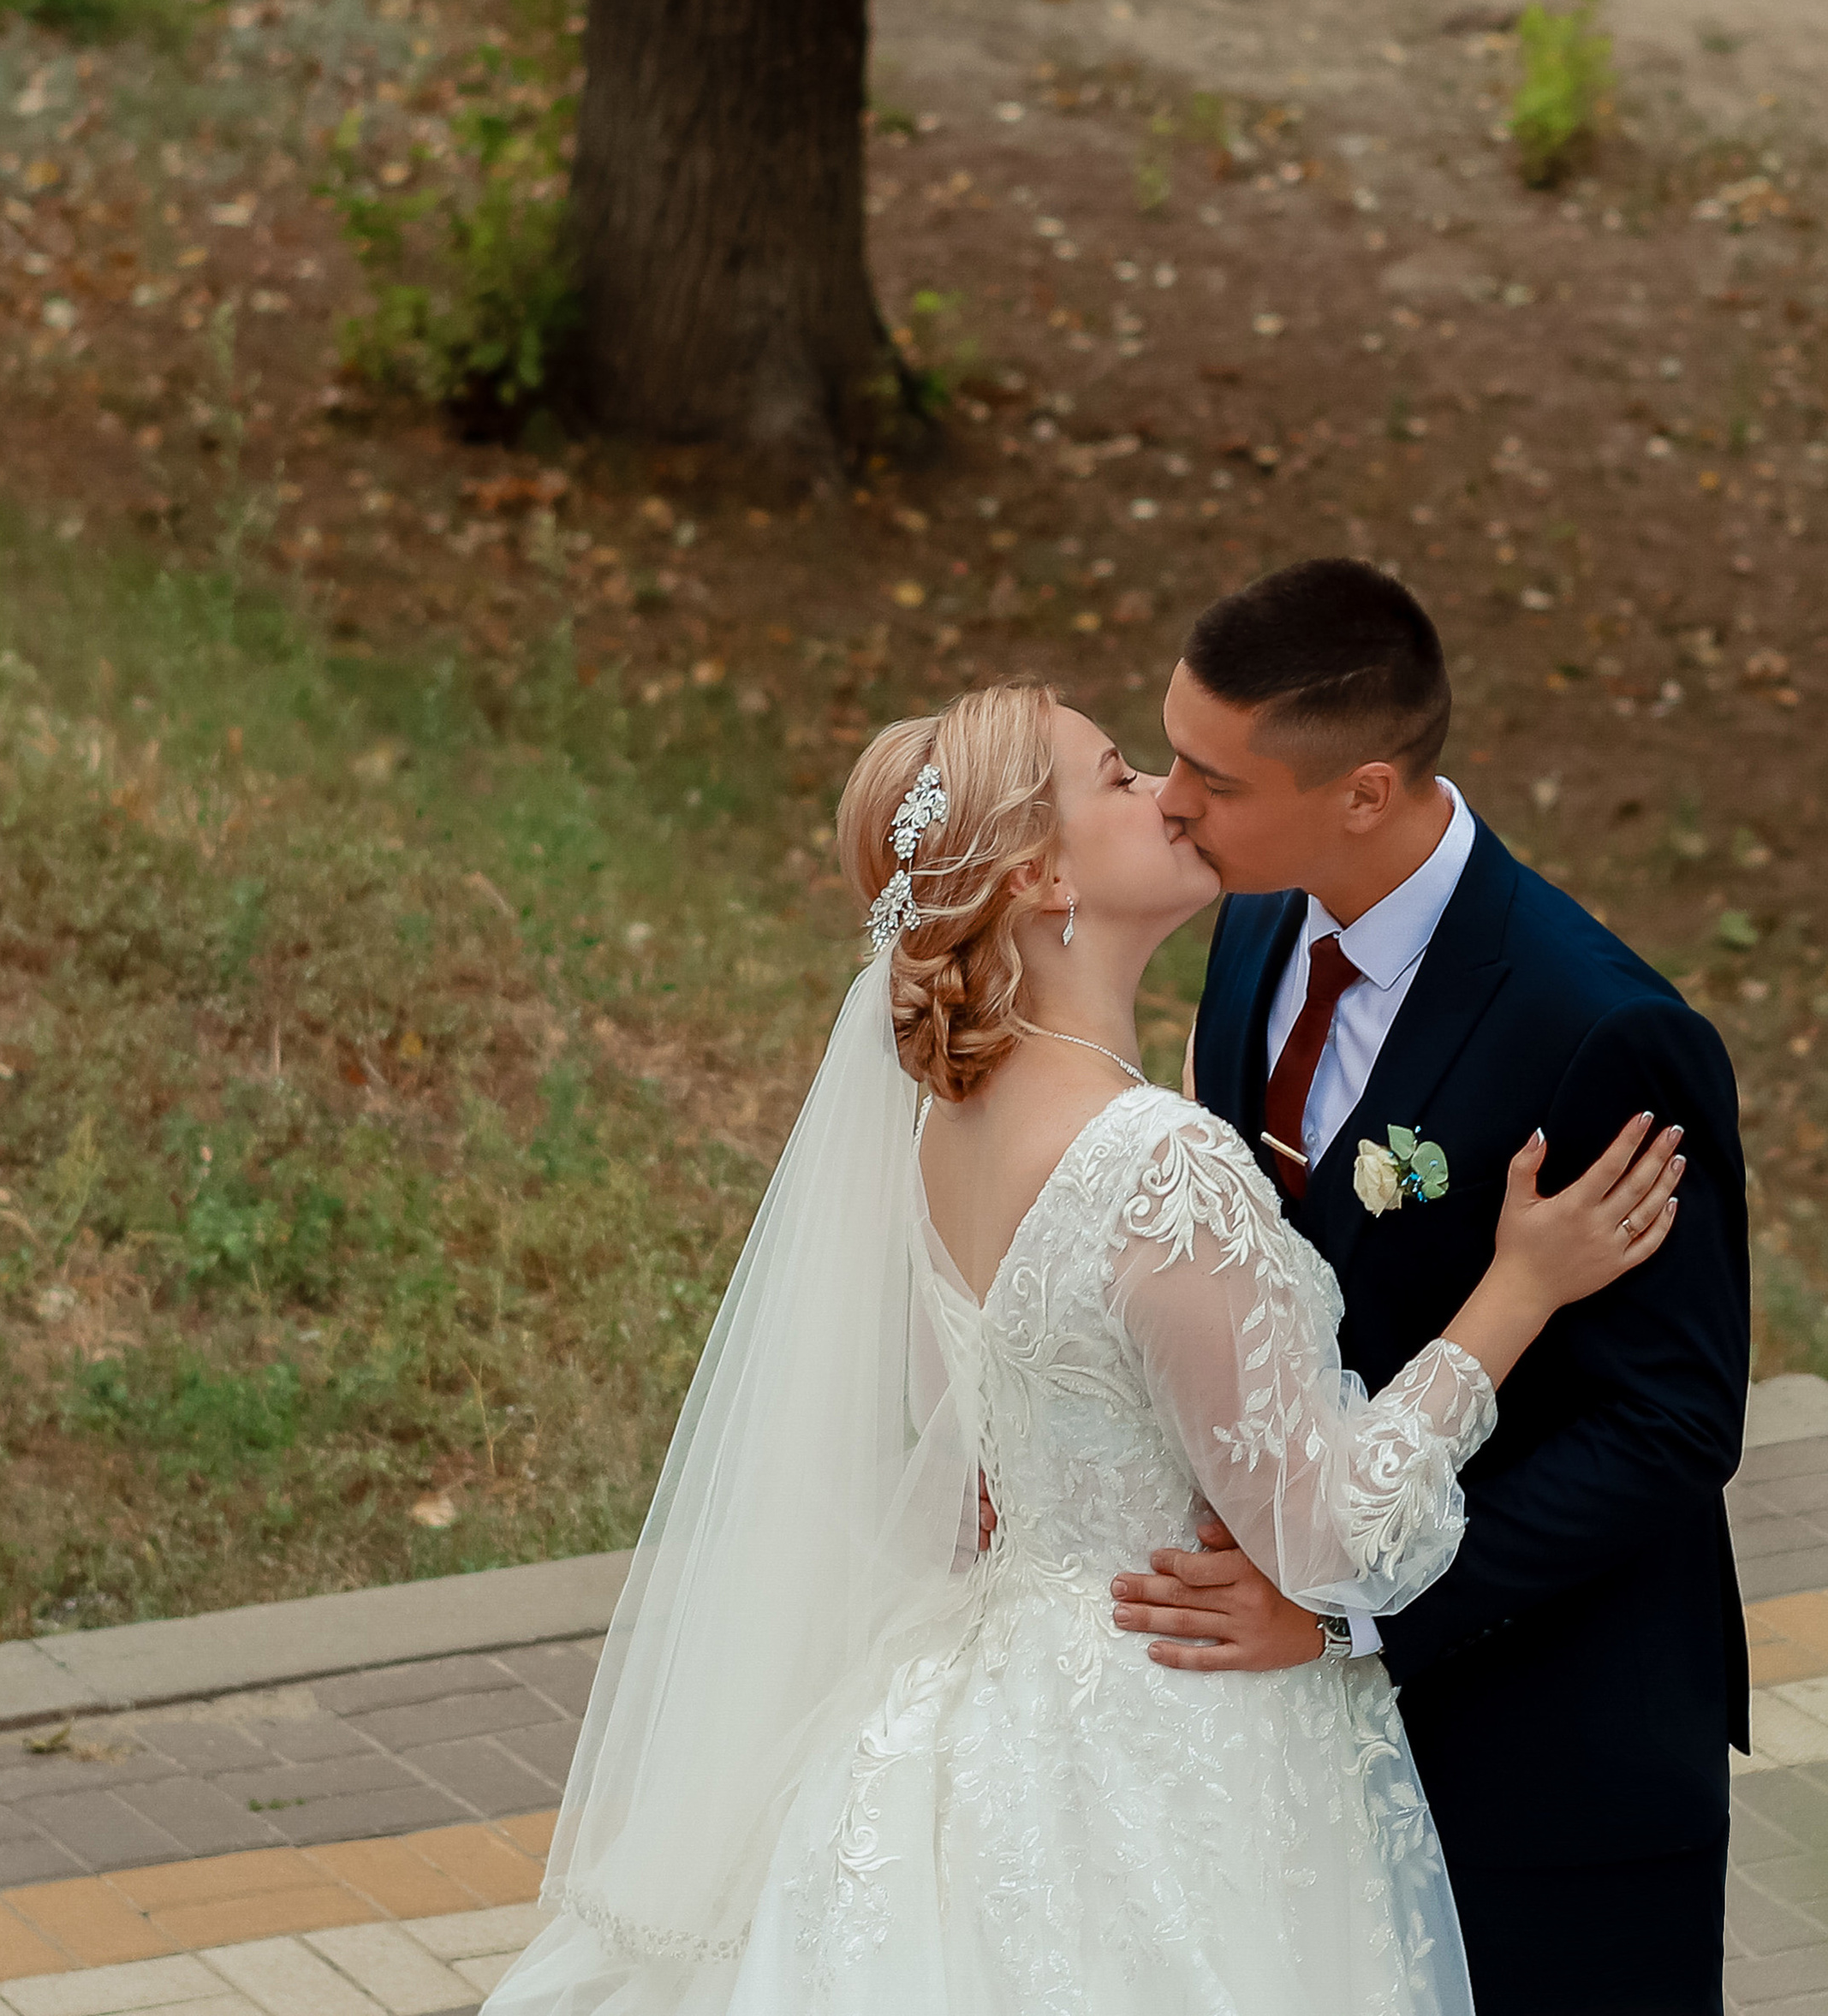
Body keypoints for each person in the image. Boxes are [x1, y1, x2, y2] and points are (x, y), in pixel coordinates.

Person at [487, 678, 1681, 2016]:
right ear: (1038, 872)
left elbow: (982, 1473)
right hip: (1172, 1737)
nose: (1168, 796)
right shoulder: (1154, 1161)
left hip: (992, 1711)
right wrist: (1517, 1291)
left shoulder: (947, 1126)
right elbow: (1333, 1542)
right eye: (1119, 776)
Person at [1111, 557, 1748, 2016]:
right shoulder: (1260, 919)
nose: (1170, 804)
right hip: (1317, 1749)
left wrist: (1353, 1618)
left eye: (1214, 778)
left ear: (1364, 790)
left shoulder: (1607, 1034)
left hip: (1548, 1742)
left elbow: (1670, 1425)